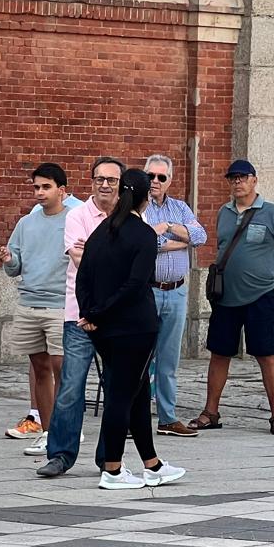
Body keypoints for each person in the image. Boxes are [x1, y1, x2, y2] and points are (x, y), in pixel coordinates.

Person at [75, 168, 186, 490]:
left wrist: (90, 313)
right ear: (144, 198)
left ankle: (152, 464)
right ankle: (112, 469)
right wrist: (98, 311)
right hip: (134, 327)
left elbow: (84, 275)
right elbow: (136, 284)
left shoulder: (103, 229)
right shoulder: (143, 234)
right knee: (121, 397)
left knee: (136, 395)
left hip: (103, 327)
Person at [192, 160, 274, 435]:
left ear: (254, 180)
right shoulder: (223, 213)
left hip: (261, 296)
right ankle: (210, 411)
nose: (237, 182)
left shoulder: (272, 213)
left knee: (267, 354)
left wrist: (273, 278)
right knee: (219, 353)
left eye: (242, 177)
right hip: (226, 297)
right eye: (232, 178)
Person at [37, 156, 125, 480]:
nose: (105, 185)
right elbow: (80, 260)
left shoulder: (129, 217)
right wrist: (110, 258)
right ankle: (60, 454)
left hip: (117, 317)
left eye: (112, 180)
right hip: (80, 315)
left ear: (121, 185)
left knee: (116, 387)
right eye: (100, 179)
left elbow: (126, 264)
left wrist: (95, 254)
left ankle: (109, 458)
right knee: (71, 387)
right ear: (91, 182)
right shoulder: (77, 216)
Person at [0, 162, 78, 454]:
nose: (40, 193)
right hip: (29, 303)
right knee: (40, 368)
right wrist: (8, 260)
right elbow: (14, 266)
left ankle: (66, 428)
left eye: (46, 187)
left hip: (61, 305)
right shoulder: (26, 223)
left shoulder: (75, 218)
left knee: (62, 368)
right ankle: (47, 430)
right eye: (36, 187)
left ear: (62, 190)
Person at [143, 154, 207, 439]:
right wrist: (179, 243)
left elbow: (200, 236)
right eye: (150, 176)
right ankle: (138, 416)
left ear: (170, 180)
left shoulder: (179, 208)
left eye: (161, 177)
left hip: (177, 291)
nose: (155, 182)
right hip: (147, 291)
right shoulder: (137, 208)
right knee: (141, 357)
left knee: (169, 359)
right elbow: (145, 242)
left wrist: (168, 228)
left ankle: (167, 417)